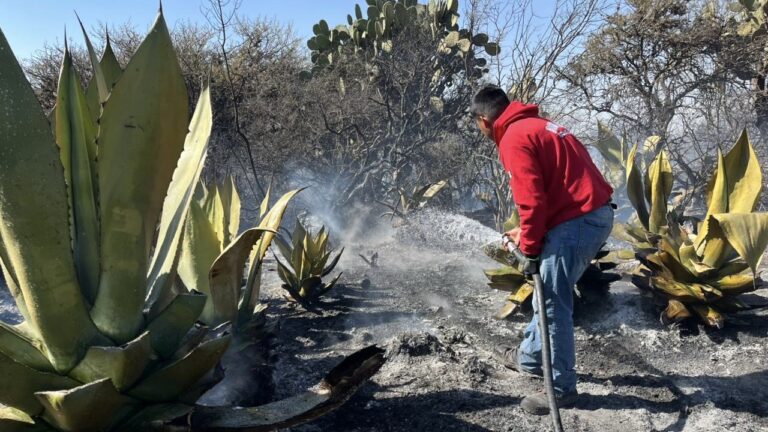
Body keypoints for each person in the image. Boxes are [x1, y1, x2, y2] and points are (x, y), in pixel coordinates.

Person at [470, 85, 615, 415]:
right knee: (545, 294)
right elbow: (557, 187)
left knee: (551, 301)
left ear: (483, 120)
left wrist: (531, 249)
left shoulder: (513, 138)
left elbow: (531, 201)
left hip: (578, 222)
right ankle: (532, 358)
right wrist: (526, 231)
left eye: (478, 126)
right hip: (589, 215)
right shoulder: (539, 126)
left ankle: (562, 389)